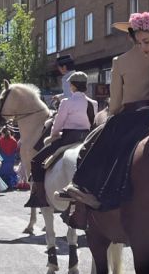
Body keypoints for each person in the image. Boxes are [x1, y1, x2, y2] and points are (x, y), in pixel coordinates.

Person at [61, 12, 149, 223]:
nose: (143, 46)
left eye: (146, 41)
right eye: (140, 42)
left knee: (113, 129)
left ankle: (87, 184)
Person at [26, 71, 97, 206]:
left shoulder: (66, 102)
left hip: (69, 138)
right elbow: (93, 122)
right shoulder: (93, 103)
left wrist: (53, 135)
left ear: (73, 86)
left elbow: (58, 123)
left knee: (36, 161)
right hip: (87, 139)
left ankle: (40, 197)